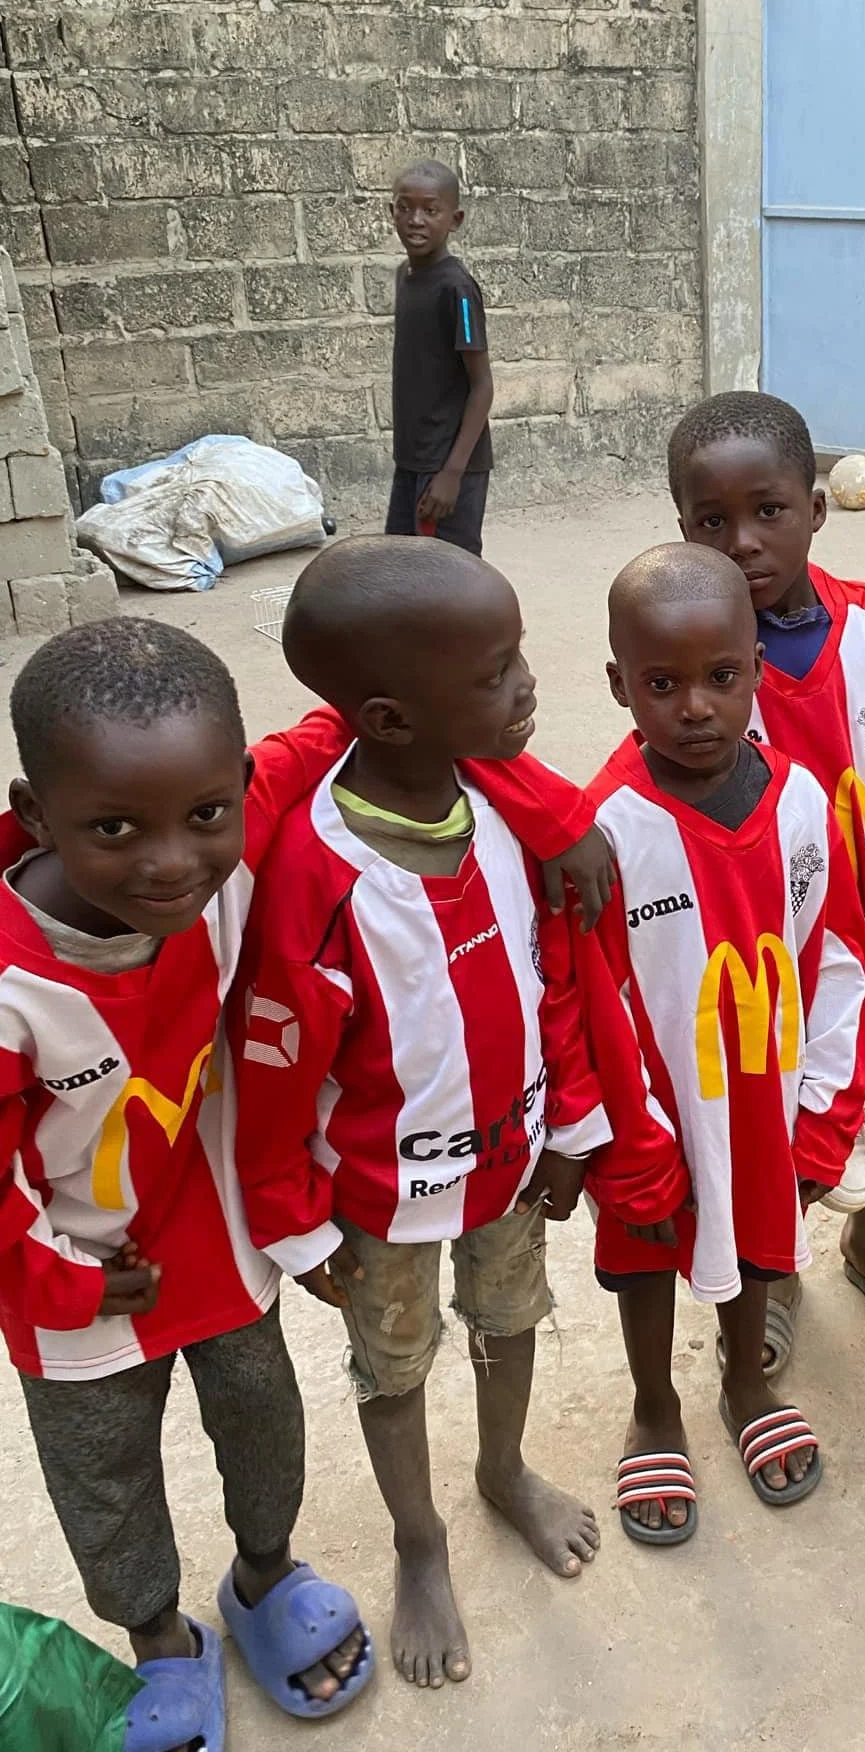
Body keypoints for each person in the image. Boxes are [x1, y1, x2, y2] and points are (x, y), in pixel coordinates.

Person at [233, 537, 685, 1690]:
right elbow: (277, 1064)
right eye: (494, 671)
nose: (528, 683)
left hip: (515, 1160)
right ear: (386, 719)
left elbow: (557, 980)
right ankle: (417, 1536)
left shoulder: (506, 812)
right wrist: (294, 1218)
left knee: (512, 1313)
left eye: (518, 654)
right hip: (383, 1195)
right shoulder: (315, 869)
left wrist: (574, 1123)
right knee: (395, 1362)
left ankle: (501, 1468)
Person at [0, 619, 372, 1749]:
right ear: (34, 816)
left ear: (234, 788)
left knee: (262, 1414)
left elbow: (353, 712)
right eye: (114, 827)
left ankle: (264, 1574)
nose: (171, 861)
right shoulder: (14, 982)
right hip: (76, 1272)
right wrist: (62, 1278)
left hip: (212, 1230)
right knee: (102, 1469)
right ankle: (157, 1634)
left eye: (205, 814)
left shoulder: (227, 836)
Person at [582, 544, 865, 1545]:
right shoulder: (605, 829)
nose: (695, 705)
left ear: (757, 666)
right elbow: (596, 998)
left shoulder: (798, 803)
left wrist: (824, 1111)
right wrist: (636, 1141)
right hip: (652, 1116)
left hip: (762, 1099)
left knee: (757, 1236)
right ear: (619, 682)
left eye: (720, 676)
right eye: (661, 684)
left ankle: (745, 1382)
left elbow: (834, 958)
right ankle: (655, 1402)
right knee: (645, 1254)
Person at [667, 391, 865, 1348]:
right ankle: (770, 1277)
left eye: (769, 511)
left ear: (817, 507)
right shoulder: (692, 667)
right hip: (761, 964)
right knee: (771, 1127)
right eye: (712, 522)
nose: (745, 542)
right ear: (682, 529)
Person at [386, 159, 495, 555]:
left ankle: (500, 621)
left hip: (451, 464)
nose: (416, 220)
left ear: (455, 219)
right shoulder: (405, 276)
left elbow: (482, 386)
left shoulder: (458, 291)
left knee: (451, 578)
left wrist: (452, 473)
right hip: (412, 460)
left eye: (430, 210)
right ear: (392, 212)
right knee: (399, 567)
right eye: (405, 207)